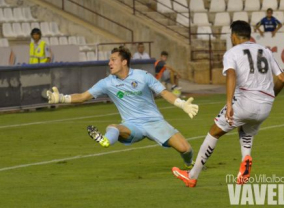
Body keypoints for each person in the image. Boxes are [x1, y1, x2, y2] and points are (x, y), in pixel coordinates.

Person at [47, 46, 199, 170]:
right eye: (110, 60)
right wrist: (61, 98)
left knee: (185, 149)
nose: (109, 63)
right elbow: (82, 97)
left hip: (154, 122)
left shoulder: (142, 76)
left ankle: (189, 163)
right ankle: (105, 140)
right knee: (114, 127)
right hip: (132, 125)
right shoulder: (107, 82)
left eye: (113, 60)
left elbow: (164, 92)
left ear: (124, 62)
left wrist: (181, 104)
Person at [172, 21, 284, 188]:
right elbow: (281, 78)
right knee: (246, 129)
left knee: (214, 132)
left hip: (245, 102)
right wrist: (270, 97)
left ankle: (192, 175)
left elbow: (230, 75)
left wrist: (229, 104)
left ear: (233, 35)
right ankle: (246, 158)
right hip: (265, 105)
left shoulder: (232, 52)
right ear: (249, 35)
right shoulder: (265, 51)